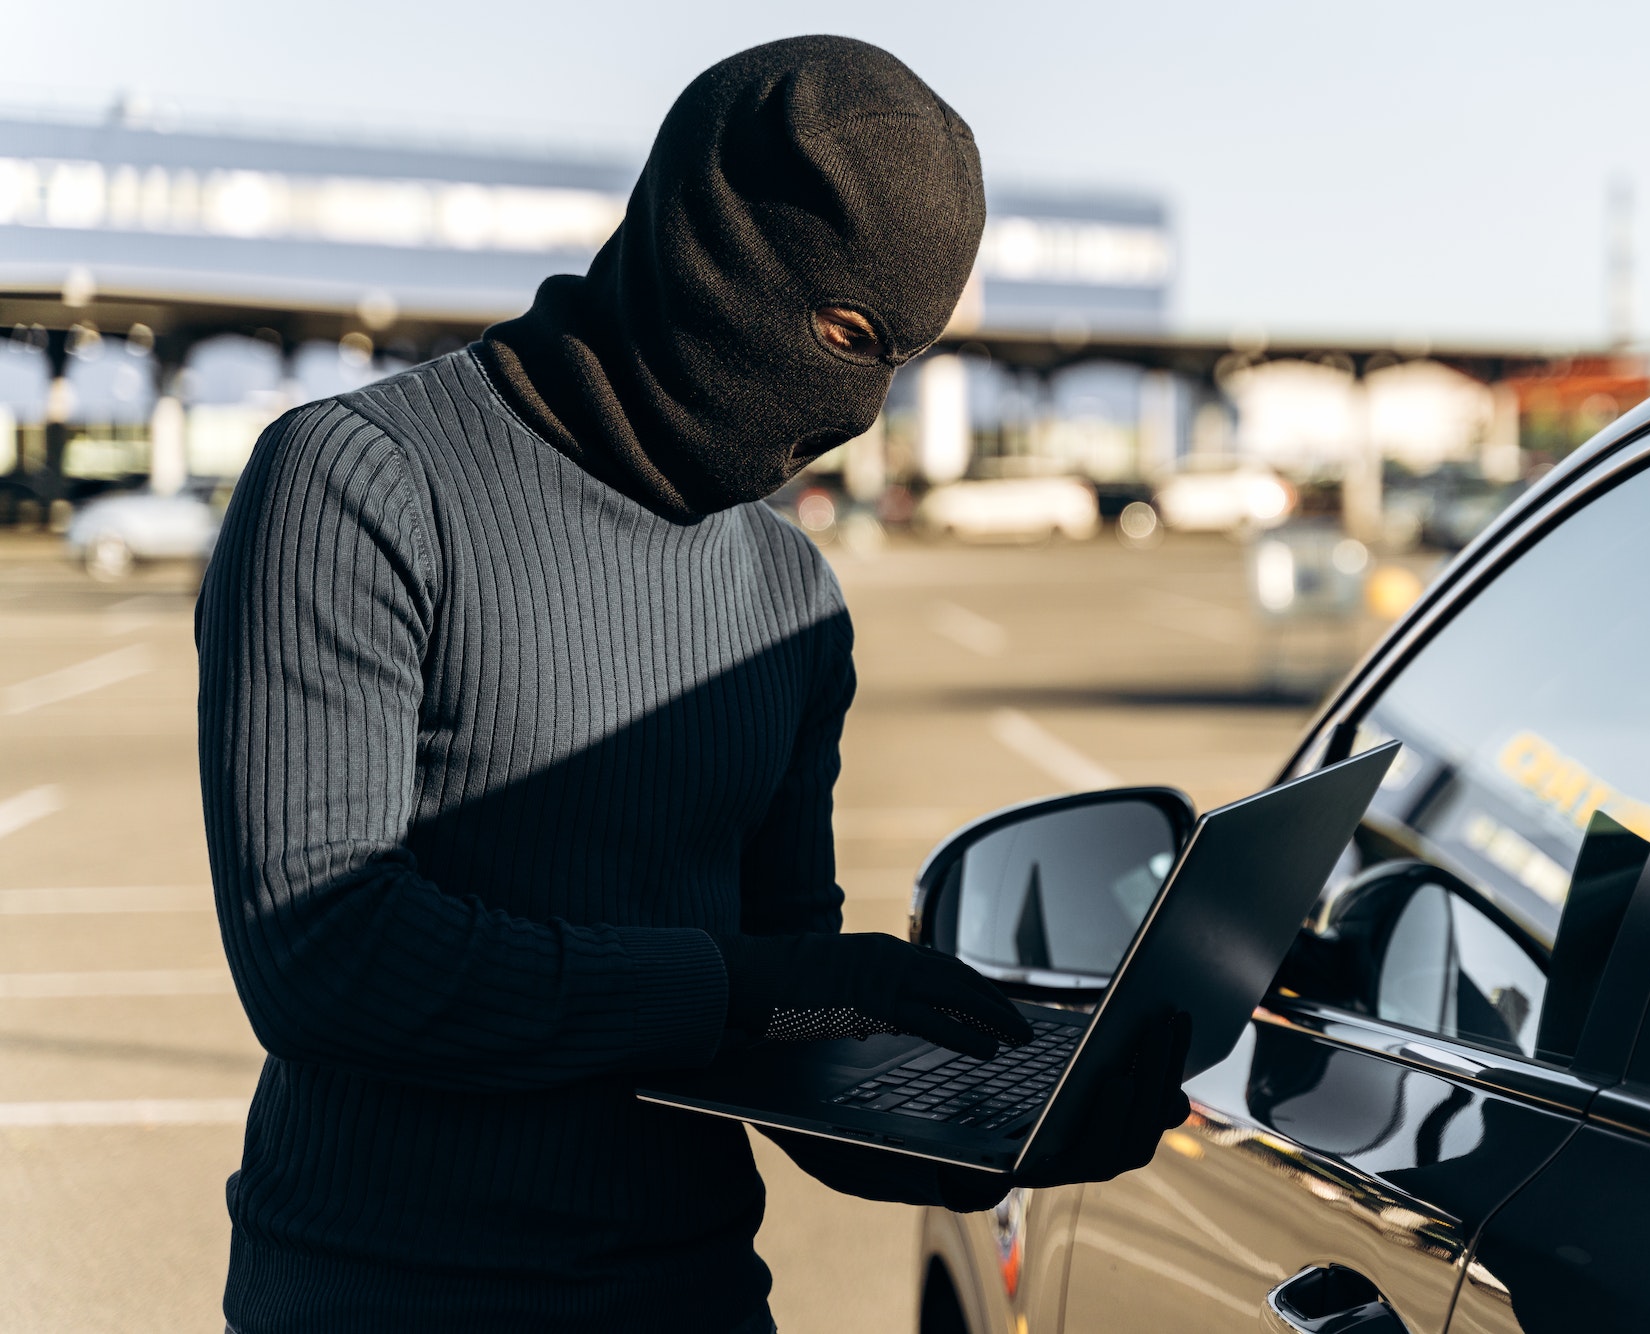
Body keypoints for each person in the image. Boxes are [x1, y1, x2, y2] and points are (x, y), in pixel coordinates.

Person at [195, 35, 1188, 1334]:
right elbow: (325, 956)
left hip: (695, 1298)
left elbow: (778, 1037)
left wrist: (993, 1115)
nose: (862, 404)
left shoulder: (790, 598)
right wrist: (753, 986)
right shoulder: (358, 481)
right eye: (845, 334)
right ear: (713, 242)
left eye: (902, 357)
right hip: (385, 1296)